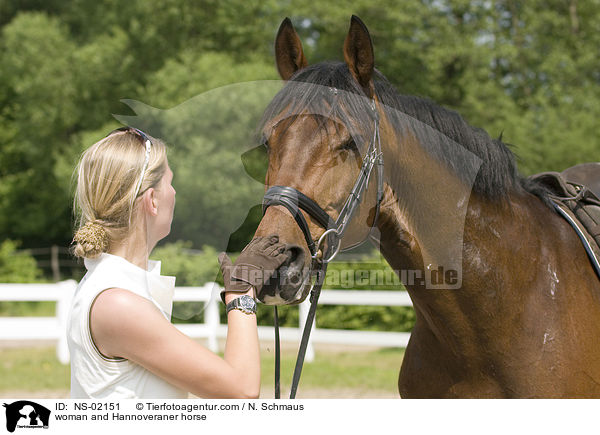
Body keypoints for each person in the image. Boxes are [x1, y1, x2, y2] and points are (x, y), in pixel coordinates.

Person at [67, 127, 289, 399]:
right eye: (169, 183)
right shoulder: (117, 303)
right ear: (152, 201)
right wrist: (240, 295)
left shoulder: (111, 287)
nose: (174, 193)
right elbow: (241, 389)